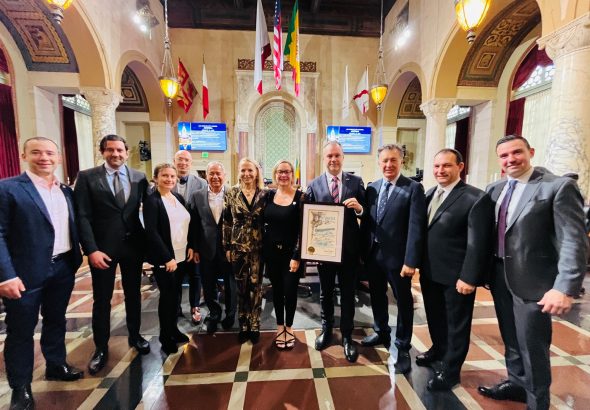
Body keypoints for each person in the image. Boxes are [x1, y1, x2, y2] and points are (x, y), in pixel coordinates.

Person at [478, 135, 587, 410]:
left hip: (534, 281)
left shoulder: (557, 186)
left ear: (531, 152)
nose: (510, 159)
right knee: (511, 337)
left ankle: (538, 402)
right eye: (504, 156)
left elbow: (573, 240)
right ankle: (516, 384)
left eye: (517, 152)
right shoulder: (495, 189)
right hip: (500, 275)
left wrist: (564, 287)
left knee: (532, 345)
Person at [0, 137, 84, 410]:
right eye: (36, 152)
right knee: (21, 329)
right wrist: (5, 275)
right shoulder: (8, 188)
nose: (44, 157)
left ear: (58, 158)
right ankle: (20, 387)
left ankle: (56, 364)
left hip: (63, 266)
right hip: (24, 273)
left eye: (49, 153)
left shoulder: (65, 191)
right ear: (24, 156)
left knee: (56, 319)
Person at [74, 134, 150, 375]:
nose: (115, 154)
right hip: (102, 250)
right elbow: (82, 216)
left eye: (119, 150)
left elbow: (149, 211)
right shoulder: (87, 177)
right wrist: (91, 250)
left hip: (133, 248)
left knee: (134, 295)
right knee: (102, 299)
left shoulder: (139, 177)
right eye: (110, 150)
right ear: (103, 152)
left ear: (126, 152)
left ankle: (135, 336)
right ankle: (101, 348)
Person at [419, 149, 493, 390]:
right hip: (430, 272)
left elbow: (478, 243)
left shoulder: (475, 198)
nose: (440, 170)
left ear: (460, 167)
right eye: (437, 166)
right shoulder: (430, 193)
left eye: (446, 165)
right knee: (435, 317)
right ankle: (439, 350)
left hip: (457, 277)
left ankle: (451, 372)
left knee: (456, 325)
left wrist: (469, 277)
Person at [359, 144, 426, 373]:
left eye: (393, 160)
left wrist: (411, 261)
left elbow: (416, 227)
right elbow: (368, 222)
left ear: (401, 161)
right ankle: (381, 331)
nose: (388, 165)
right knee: (377, 296)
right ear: (379, 162)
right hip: (373, 256)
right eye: (385, 160)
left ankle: (403, 345)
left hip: (399, 260)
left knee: (403, 302)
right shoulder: (372, 188)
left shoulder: (413, 188)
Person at [306, 141, 365, 363]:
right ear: (324, 158)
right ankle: (327, 329)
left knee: (348, 294)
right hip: (324, 252)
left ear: (343, 157)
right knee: (326, 293)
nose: (333, 159)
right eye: (329, 156)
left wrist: (359, 208)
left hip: (349, 251)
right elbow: (308, 219)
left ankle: (348, 335)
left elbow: (367, 213)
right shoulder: (314, 185)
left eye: (337, 155)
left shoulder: (356, 182)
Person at [143, 163, 192, 355]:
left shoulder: (177, 197)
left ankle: (174, 330)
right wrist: (167, 258)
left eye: (172, 176)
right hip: (166, 259)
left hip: (181, 255)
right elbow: (152, 232)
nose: (169, 179)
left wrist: (190, 247)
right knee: (167, 298)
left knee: (176, 297)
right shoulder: (152, 201)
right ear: (156, 178)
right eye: (165, 176)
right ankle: (165, 337)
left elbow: (185, 224)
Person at [188, 161, 236, 334]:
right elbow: (194, 224)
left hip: (228, 249)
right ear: (206, 176)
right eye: (211, 173)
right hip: (205, 248)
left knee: (230, 284)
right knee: (208, 285)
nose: (215, 177)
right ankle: (214, 314)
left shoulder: (233, 194)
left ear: (224, 175)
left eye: (218, 173)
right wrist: (195, 248)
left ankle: (230, 315)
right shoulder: (197, 195)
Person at [223, 158, 267, 344]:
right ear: (239, 172)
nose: (246, 174)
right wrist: (227, 247)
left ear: (256, 172)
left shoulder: (265, 194)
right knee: (241, 288)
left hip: (258, 248)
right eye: (243, 170)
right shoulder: (231, 193)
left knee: (256, 287)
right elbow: (226, 222)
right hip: (238, 248)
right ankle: (243, 324)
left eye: (250, 170)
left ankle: (255, 324)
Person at [263, 160, 305, 350]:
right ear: (275, 174)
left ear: (292, 174)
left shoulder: (301, 197)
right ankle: (280, 326)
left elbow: (303, 229)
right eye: (280, 172)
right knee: (277, 291)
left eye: (287, 172)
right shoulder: (268, 195)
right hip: (271, 254)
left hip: (291, 255)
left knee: (290, 291)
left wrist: (297, 256)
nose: (283, 175)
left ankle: (289, 326)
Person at [172, 150, 207, 324]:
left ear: (191, 163)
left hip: (194, 237)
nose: (183, 163)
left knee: (195, 275)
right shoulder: (167, 181)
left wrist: (195, 244)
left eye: (186, 160)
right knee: (175, 276)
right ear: (174, 161)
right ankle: (175, 307)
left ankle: (195, 306)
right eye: (180, 159)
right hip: (173, 239)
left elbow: (203, 214)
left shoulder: (202, 183)